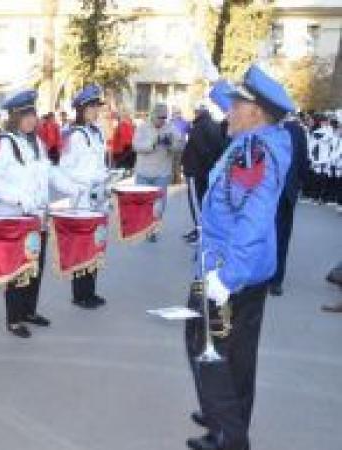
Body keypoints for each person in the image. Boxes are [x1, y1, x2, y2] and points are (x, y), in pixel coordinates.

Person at [185, 65, 294, 450]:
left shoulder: (254, 152)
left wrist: (226, 277)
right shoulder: (262, 139)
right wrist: (215, 81)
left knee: (206, 345)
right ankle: (229, 419)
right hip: (246, 268)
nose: (227, 109)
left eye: (235, 105)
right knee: (238, 351)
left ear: (255, 112)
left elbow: (252, 217)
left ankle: (227, 436)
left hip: (229, 268)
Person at [0, 89, 75, 337]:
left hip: (38, 216)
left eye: (32, 114)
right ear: (14, 117)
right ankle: (13, 318)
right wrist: (18, 198)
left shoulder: (37, 142)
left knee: (36, 264)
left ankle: (29, 310)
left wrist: (73, 186)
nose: (30, 120)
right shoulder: (1, 144)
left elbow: (49, 172)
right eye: (25, 115)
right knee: (17, 268)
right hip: (14, 216)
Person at [57, 84, 109, 309]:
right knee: (82, 246)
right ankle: (80, 294)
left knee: (96, 244)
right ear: (80, 109)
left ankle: (91, 290)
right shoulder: (73, 135)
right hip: (82, 199)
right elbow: (64, 168)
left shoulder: (96, 132)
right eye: (92, 107)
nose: (96, 111)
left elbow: (99, 164)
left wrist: (107, 176)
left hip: (99, 198)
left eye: (97, 107)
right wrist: (87, 182)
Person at [133, 103, 185, 242]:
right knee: (142, 203)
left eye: (165, 117)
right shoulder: (143, 127)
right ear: (153, 115)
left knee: (159, 204)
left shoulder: (170, 128)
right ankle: (143, 228)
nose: (162, 120)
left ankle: (153, 230)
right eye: (160, 117)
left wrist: (172, 145)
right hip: (144, 172)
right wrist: (153, 143)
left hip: (162, 173)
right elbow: (136, 145)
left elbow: (180, 145)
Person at [269, 118, 308, 296]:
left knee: (282, 237)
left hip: (285, 193)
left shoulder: (296, 130)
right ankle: (262, 276)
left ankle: (276, 280)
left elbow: (302, 160)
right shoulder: (264, 127)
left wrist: (298, 186)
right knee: (263, 234)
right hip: (266, 193)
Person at [181, 104, 228, 244]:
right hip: (206, 171)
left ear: (199, 113)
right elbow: (218, 148)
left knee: (196, 203)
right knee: (203, 202)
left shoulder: (199, 127)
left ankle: (201, 231)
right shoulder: (214, 125)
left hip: (196, 170)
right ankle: (200, 230)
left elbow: (200, 149)